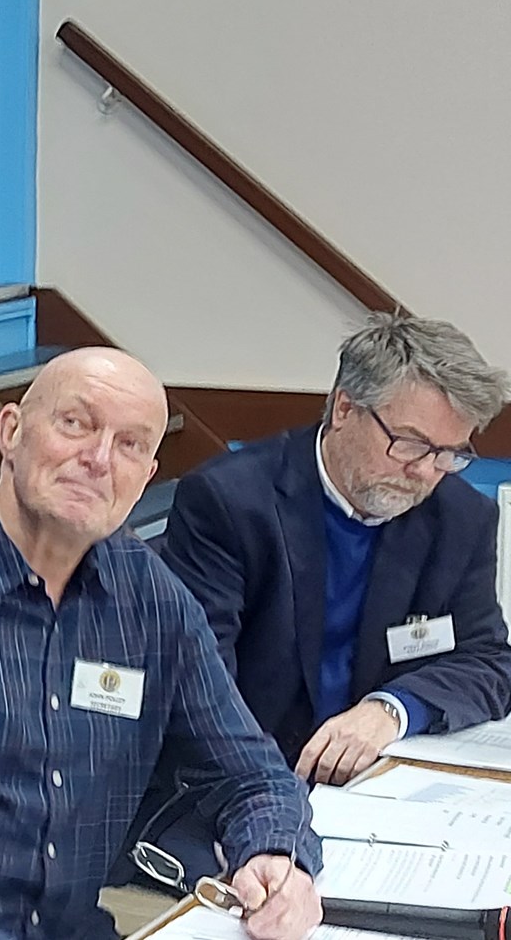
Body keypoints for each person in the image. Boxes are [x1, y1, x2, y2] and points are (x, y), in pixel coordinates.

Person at [0, 348, 322, 940]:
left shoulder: (148, 598)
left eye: (131, 444)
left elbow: (252, 773)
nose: (99, 459)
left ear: (147, 475)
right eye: (76, 424)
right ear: (11, 431)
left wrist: (277, 857)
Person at [128, 314, 511, 880]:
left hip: (373, 791)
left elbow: (488, 659)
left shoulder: (460, 517)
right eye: (411, 445)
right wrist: (272, 811)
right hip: (236, 784)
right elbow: (201, 691)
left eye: (450, 453)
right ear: (345, 409)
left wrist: (391, 711)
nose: (428, 473)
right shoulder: (232, 503)